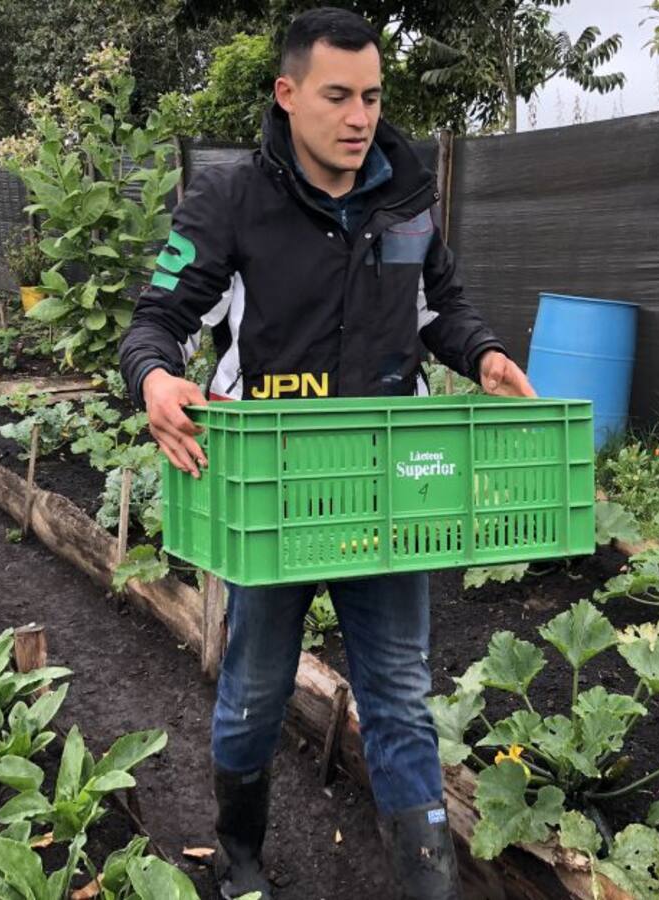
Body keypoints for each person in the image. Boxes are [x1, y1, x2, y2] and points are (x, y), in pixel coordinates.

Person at [119, 8, 534, 898]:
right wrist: (156, 379)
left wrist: (485, 353)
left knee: (397, 695)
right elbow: (157, 320)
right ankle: (240, 864)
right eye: (338, 96)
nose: (359, 117)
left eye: (373, 97)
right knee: (255, 693)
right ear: (288, 94)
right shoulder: (230, 201)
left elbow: (440, 309)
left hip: (383, 485)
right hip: (271, 491)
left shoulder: (405, 197)